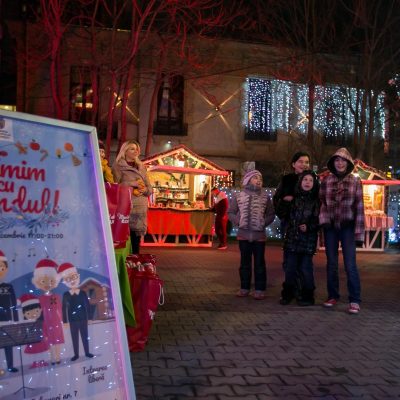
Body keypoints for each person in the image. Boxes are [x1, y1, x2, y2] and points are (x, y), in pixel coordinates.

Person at [319, 148, 365, 314]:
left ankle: (354, 299)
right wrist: (324, 221)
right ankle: (333, 295)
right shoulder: (326, 180)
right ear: (333, 163)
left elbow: (359, 207)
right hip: (330, 227)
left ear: (348, 163)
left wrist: (359, 233)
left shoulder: (355, 181)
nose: (340, 163)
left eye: (343, 160)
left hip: (348, 227)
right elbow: (321, 203)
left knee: (350, 264)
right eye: (337, 160)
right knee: (331, 263)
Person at [228, 169, 275, 300]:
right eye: (255, 178)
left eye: (260, 179)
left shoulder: (265, 197)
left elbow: (271, 214)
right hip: (243, 236)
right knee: (244, 263)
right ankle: (244, 287)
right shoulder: (239, 196)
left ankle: (260, 289)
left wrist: (263, 223)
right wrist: (239, 221)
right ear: (248, 180)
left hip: (259, 237)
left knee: (259, 263)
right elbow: (231, 212)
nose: (258, 180)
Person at [273, 151, 311, 300]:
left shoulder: (312, 180)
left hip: (306, 225)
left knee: (304, 260)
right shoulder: (287, 180)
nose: (304, 164)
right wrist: (284, 207)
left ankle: (303, 289)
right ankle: (291, 288)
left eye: (306, 162)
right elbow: (277, 199)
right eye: (300, 161)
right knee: (289, 259)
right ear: (294, 164)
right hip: (289, 223)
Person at [280, 170, 320, 306]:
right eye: (305, 180)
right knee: (290, 268)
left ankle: (308, 295)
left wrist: (309, 227)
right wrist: (284, 202)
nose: (308, 182)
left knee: (305, 269)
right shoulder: (294, 199)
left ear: (314, 184)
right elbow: (282, 214)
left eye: (311, 180)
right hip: (292, 239)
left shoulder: (316, 201)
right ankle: (288, 294)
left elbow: (318, 220)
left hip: (307, 241)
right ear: (300, 182)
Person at [112, 140, 153, 254]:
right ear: (125, 151)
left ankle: (134, 262)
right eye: (132, 149)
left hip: (140, 209)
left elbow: (150, 188)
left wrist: (145, 190)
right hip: (126, 208)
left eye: (137, 149)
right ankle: (124, 262)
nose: (136, 151)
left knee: (136, 242)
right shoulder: (118, 166)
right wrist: (131, 184)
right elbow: (114, 186)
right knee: (124, 240)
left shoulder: (141, 167)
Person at [31, 258, 65, 365]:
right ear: (38, 282)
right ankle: (52, 358)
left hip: (56, 322)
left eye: (50, 281)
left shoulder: (57, 297)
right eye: (43, 281)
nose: (47, 284)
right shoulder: (40, 299)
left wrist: (62, 321)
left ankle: (58, 357)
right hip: (46, 323)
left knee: (57, 340)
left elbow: (60, 310)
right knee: (49, 341)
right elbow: (39, 313)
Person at [59, 262, 94, 362]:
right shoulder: (66, 294)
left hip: (83, 319)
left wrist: (90, 318)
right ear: (65, 282)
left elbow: (87, 306)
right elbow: (64, 308)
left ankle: (87, 352)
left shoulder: (82, 293)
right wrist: (65, 321)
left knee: (85, 336)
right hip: (72, 320)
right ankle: (76, 354)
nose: (72, 281)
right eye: (68, 279)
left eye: (73, 277)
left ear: (78, 277)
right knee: (74, 337)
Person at [19, 293, 49, 369]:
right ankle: (35, 362)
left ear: (40, 310)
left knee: (41, 351)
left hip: (41, 340)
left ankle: (42, 361)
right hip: (32, 341)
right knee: (34, 353)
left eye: (36, 311)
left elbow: (45, 328)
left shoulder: (41, 322)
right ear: (24, 314)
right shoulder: (27, 324)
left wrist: (46, 336)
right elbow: (24, 332)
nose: (33, 314)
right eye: (28, 313)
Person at [0, 250, 18, 372]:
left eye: (1, 267)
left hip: (7, 320)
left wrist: (15, 320)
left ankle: (10, 366)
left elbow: (14, 304)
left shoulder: (8, 287)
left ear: (6, 269)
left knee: (8, 343)